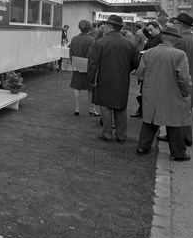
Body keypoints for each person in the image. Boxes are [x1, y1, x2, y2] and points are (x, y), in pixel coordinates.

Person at [136, 25, 192, 161]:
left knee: (151, 119)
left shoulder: (148, 53)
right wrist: (186, 92)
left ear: (162, 37)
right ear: (176, 40)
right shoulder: (180, 55)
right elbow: (184, 78)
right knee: (175, 121)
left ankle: (142, 146)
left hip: (151, 91)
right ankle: (178, 153)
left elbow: (140, 73)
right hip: (173, 94)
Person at [88, 15, 140, 143]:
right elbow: (135, 62)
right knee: (121, 107)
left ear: (110, 27)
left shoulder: (100, 42)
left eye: (105, 25)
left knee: (105, 107)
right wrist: (124, 71)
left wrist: (90, 79)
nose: (103, 28)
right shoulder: (130, 43)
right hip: (122, 79)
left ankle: (106, 134)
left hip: (104, 78)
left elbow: (93, 64)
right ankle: (121, 135)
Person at [171, 13, 193, 147]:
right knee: (187, 109)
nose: (173, 25)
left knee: (179, 110)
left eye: (175, 23)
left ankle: (182, 138)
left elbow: (175, 62)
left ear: (180, 25)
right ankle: (186, 137)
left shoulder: (181, 40)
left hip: (182, 80)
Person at [130, 21, 163, 118]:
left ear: (157, 28)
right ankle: (143, 111)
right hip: (147, 67)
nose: (149, 32)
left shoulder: (159, 38)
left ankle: (145, 111)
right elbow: (145, 32)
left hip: (152, 68)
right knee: (144, 91)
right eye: (148, 30)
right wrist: (147, 27)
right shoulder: (152, 37)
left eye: (151, 30)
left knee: (146, 92)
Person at [69, 20, 99, 116]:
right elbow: (90, 54)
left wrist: (74, 63)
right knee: (90, 88)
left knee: (76, 87)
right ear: (89, 28)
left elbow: (71, 53)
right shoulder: (91, 39)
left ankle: (77, 108)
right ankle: (91, 109)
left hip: (77, 64)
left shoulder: (74, 39)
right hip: (87, 66)